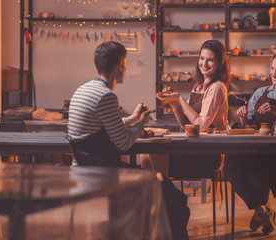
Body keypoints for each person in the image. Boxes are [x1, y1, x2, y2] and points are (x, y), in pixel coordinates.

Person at [68, 41, 190, 239]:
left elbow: (101, 129)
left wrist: (132, 119)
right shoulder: (106, 96)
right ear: (120, 65)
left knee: (167, 194)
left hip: (82, 171)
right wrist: (142, 123)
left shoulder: (83, 91)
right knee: (170, 194)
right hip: (104, 175)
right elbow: (124, 143)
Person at [226, 52, 276, 235]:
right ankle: (263, 211)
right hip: (253, 151)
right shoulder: (260, 93)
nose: (274, 74)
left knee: (256, 178)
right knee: (230, 167)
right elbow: (249, 125)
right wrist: (242, 118)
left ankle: (261, 212)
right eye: (272, 69)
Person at [141, 39, 230, 178]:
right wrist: (174, 103)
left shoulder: (217, 87)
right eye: (201, 58)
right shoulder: (199, 86)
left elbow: (200, 126)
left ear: (219, 63)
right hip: (194, 146)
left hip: (208, 153)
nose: (204, 64)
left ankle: (164, 194)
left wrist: (180, 99)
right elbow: (186, 124)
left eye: (210, 60)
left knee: (155, 150)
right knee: (145, 154)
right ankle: (154, 194)